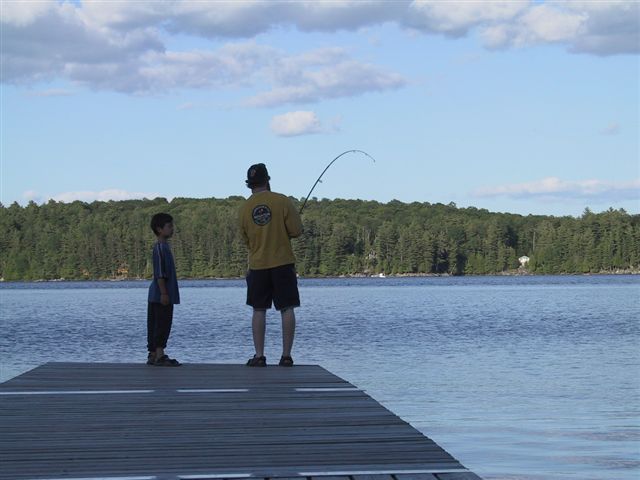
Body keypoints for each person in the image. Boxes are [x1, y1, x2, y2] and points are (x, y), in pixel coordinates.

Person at [239, 163, 303, 367]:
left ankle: (259, 355)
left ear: (250, 185)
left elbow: (245, 239)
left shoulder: (244, 208)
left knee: (259, 310)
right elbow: (296, 231)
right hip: (282, 262)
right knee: (287, 308)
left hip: (257, 265)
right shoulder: (282, 201)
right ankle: (286, 356)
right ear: (268, 181)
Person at [147, 212, 181, 366]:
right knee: (162, 323)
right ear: (159, 229)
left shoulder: (163, 247)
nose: (172, 229)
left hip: (156, 295)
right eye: (169, 226)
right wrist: (164, 293)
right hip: (161, 294)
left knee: (155, 323)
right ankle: (160, 354)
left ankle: (153, 354)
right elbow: (160, 273)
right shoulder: (161, 248)